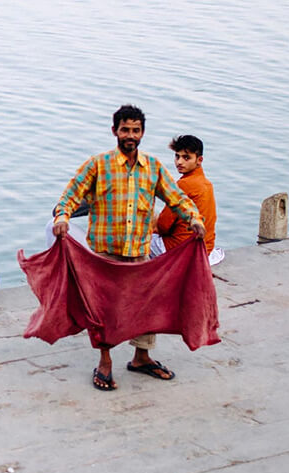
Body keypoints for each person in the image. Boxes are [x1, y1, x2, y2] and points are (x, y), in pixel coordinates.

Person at [52, 105, 204, 391]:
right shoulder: (97, 165)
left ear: (142, 133)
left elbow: (177, 199)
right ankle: (105, 361)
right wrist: (62, 217)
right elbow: (70, 196)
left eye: (135, 130)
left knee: (146, 307)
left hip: (139, 252)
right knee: (104, 310)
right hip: (104, 255)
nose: (130, 135)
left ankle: (141, 357)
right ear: (115, 132)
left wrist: (195, 219)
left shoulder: (154, 168)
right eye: (125, 130)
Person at [153, 134, 222, 264]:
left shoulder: (184, 185)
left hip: (180, 250)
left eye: (186, 158)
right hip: (206, 249)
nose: (179, 162)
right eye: (177, 156)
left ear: (199, 160)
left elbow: (163, 226)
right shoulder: (207, 184)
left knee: (137, 240)